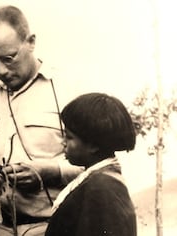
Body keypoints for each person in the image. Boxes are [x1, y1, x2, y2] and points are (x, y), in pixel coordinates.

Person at [0, 5, 82, 236]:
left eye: (9, 58)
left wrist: (52, 171)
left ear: (31, 42)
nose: (2, 70)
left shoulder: (67, 91)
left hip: (57, 227)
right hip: (1, 230)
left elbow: (100, 167)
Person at [45, 93, 137, 236]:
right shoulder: (100, 180)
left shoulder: (101, 187)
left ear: (93, 145)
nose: (63, 142)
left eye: (69, 137)